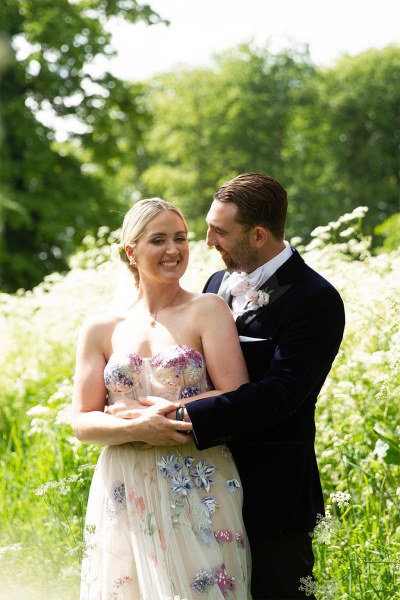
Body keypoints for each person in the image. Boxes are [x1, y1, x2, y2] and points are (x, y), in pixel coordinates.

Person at [72, 198, 251, 599]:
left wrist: (174, 413)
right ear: (131, 252)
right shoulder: (100, 326)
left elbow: (238, 395)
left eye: (180, 238)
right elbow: (82, 421)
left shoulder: (208, 309)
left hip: (198, 480)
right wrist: (137, 427)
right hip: (124, 483)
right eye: (159, 240)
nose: (174, 250)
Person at [178, 173, 346, 599]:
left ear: (257, 234)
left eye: (220, 231)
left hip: (271, 493)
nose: (208, 240)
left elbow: (281, 394)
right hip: (201, 484)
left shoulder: (315, 298)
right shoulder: (216, 285)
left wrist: (185, 417)